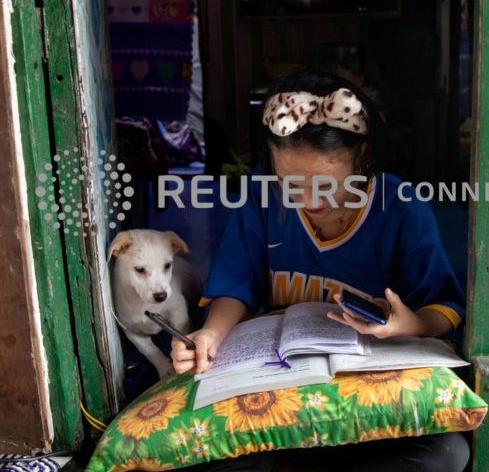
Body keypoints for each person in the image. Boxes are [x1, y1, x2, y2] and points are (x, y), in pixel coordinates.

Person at [172, 70, 469, 472]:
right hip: (278, 388)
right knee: (204, 452)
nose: (308, 200)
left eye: (325, 185)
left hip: (368, 395)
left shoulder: (402, 210)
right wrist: (209, 334)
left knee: (445, 454)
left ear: (362, 156)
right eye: (290, 184)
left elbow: (444, 306)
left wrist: (410, 324)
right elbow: (235, 286)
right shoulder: (264, 198)